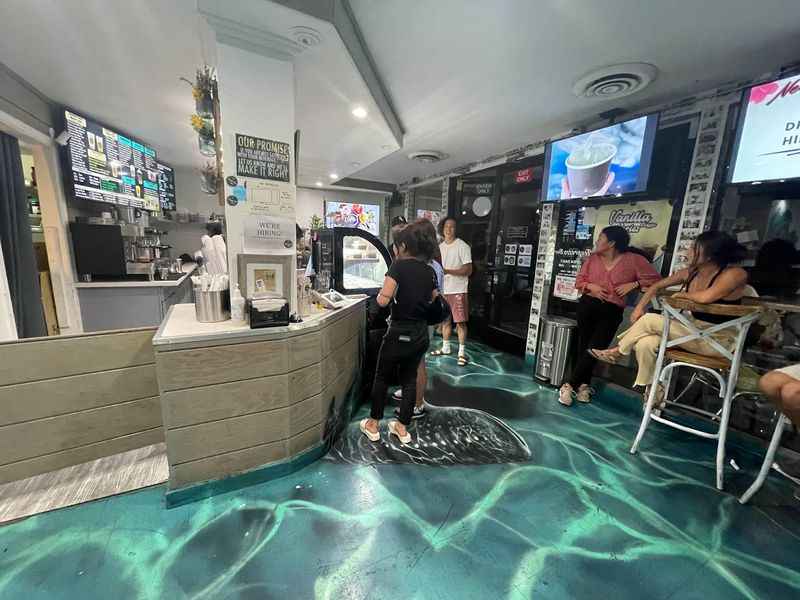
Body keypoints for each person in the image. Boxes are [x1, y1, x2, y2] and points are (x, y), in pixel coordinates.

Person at [591, 231, 748, 404]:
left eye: (694, 248)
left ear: (710, 255)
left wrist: (683, 296)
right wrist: (639, 307)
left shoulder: (734, 274)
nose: (687, 252)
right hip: (693, 334)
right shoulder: (690, 273)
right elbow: (656, 286)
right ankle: (653, 388)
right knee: (646, 343)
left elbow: (706, 298)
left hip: (719, 342)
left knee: (650, 319)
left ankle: (619, 351)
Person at [560, 226, 661, 406]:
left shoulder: (634, 260)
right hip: (587, 305)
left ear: (612, 243)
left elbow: (656, 280)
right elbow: (579, 282)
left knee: (596, 347)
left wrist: (635, 283)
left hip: (612, 310)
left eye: (600, 238)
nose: (597, 241)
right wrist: (592, 287)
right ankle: (583, 385)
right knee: (584, 345)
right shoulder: (592, 259)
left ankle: (568, 385)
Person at [360, 221, 438, 444]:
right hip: (420, 333)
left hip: (398, 331)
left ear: (403, 246)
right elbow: (434, 300)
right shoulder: (430, 271)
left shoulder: (398, 266)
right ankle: (402, 428)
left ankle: (373, 424)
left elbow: (383, 299)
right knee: (409, 380)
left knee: (382, 376)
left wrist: (384, 298)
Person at [392, 219, 444, 420]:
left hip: (420, 321)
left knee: (418, 361)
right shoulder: (424, 263)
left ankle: (417, 403)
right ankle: (409, 392)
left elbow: (434, 297)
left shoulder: (431, 267)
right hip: (415, 320)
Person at [431, 217, 473, 366]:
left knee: (460, 322)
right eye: (446, 227)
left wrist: (447, 271)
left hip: (458, 290)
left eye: (452, 227)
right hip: (444, 291)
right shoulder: (440, 248)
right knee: (445, 320)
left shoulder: (462, 246)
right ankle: (446, 347)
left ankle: (462, 352)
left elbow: (468, 270)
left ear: (456, 229)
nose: (448, 229)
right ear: (442, 229)